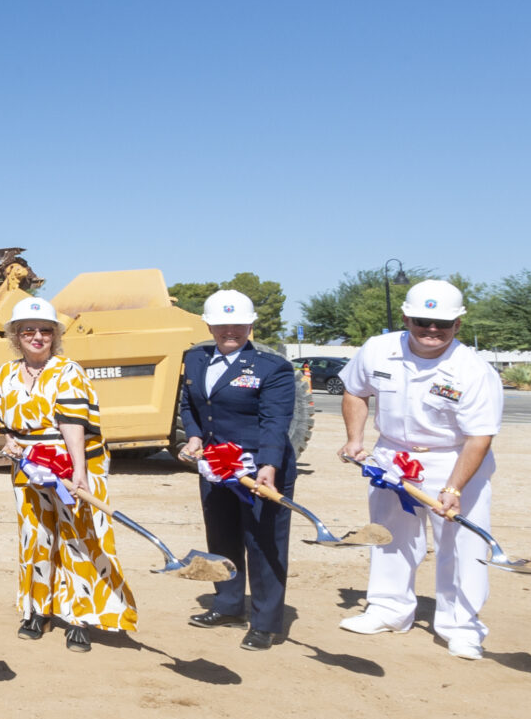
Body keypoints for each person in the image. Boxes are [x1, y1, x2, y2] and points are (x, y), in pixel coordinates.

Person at [336, 279, 503, 659]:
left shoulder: (473, 371)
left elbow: (479, 437)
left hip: (454, 458)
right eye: (423, 321)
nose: (432, 330)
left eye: (442, 323)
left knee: (462, 544)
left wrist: (455, 488)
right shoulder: (378, 350)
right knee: (389, 535)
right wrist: (355, 439)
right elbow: (355, 390)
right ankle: (388, 609)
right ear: (407, 318)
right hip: (391, 456)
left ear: (458, 324)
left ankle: (461, 625)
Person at [0, 296, 134, 650]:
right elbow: (2, 418)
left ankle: (78, 617)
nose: (37, 337)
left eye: (45, 331)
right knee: (35, 536)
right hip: (30, 469)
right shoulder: (6, 372)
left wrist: (80, 473)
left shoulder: (70, 371)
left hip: (74, 464)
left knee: (76, 536)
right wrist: (11, 443)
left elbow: (74, 425)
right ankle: (37, 610)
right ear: (15, 335)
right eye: (29, 331)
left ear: (55, 336)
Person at [176, 288, 298, 650]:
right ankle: (228, 605)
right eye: (222, 325)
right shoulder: (195, 359)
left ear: (250, 325)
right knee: (223, 538)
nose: (231, 332)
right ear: (209, 325)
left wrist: (269, 465)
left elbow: (276, 421)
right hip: (217, 467)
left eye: (239, 325)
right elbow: (188, 405)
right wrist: (195, 437)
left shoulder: (272, 367)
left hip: (258, 468)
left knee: (263, 545)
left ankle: (265, 622)